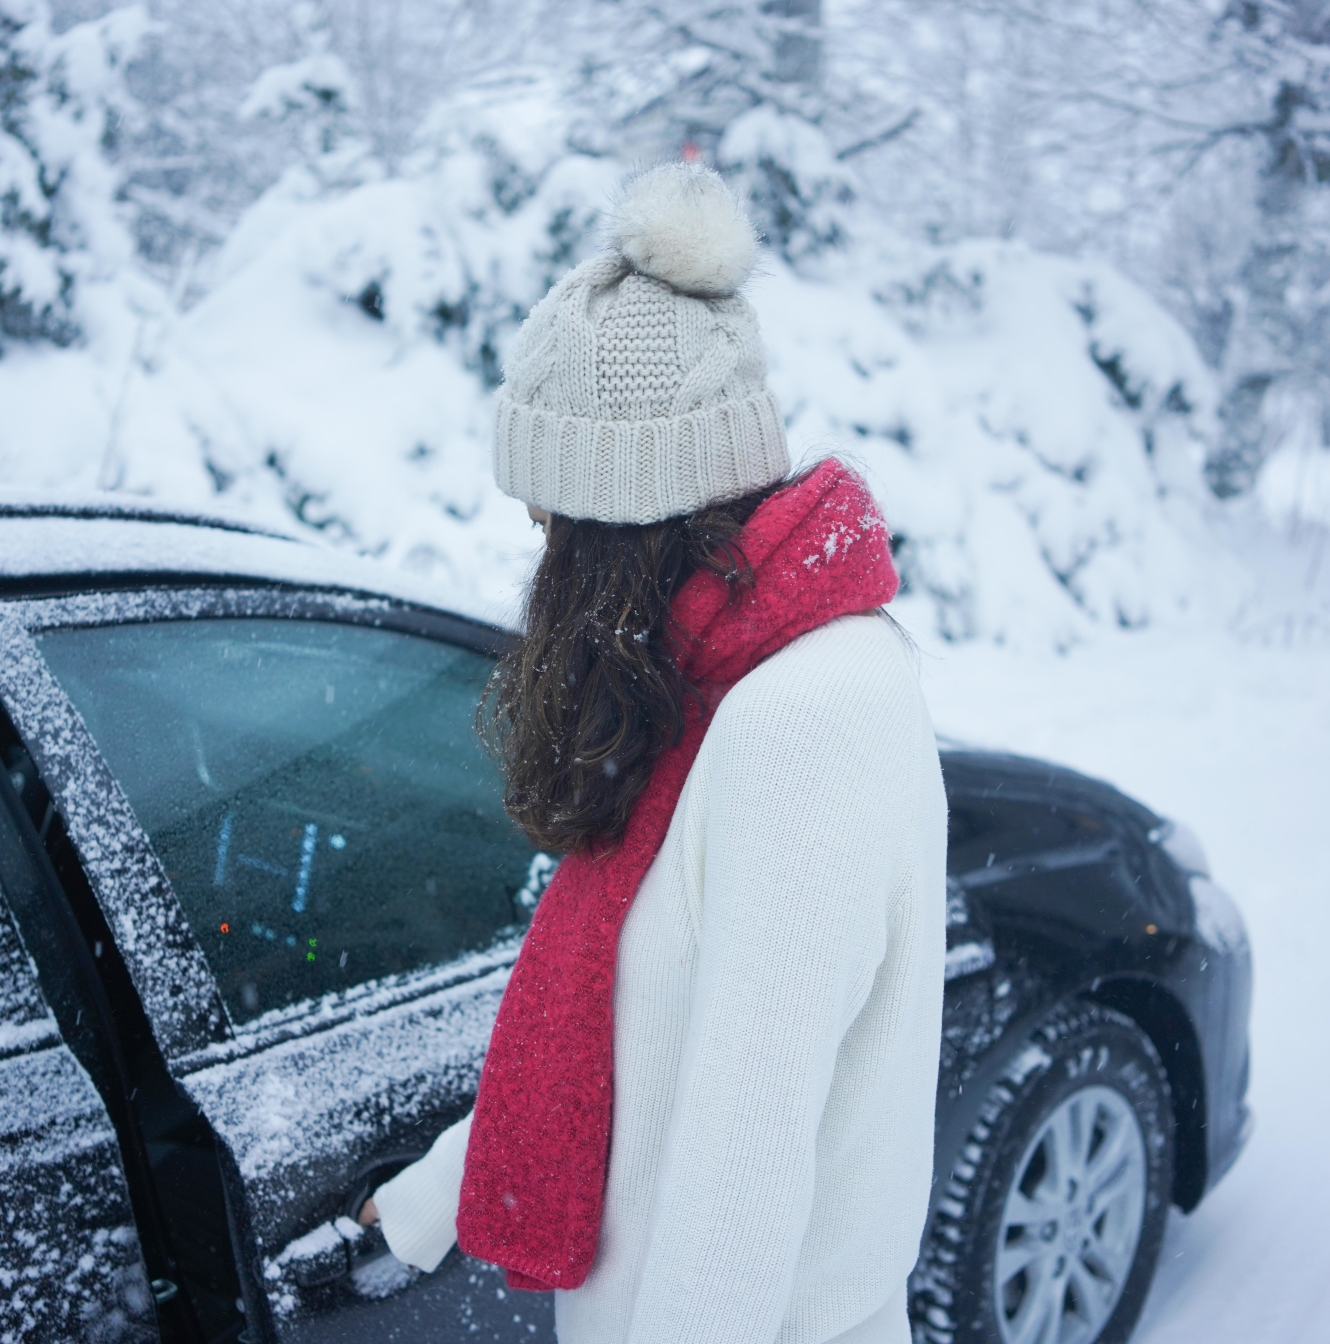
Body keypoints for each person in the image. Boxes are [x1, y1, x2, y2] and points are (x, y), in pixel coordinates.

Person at [360, 161, 950, 1344]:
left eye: (551, 514)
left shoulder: (798, 722)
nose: (532, 544)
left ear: (621, 517)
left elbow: (741, 1166)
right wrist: (434, 1194)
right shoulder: (720, 683)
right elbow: (631, 1030)